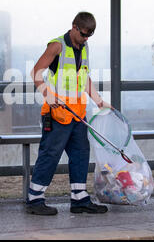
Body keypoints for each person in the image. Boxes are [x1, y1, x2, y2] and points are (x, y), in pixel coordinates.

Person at [26, 12, 110, 215]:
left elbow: (84, 77)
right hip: (57, 114)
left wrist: (99, 101)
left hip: (78, 114)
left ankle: (79, 199)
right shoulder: (57, 46)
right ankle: (35, 199)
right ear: (74, 27)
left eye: (89, 36)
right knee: (50, 155)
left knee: (81, 154)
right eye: (83, 34)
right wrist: (48, 96)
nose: (86, 39)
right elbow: (36, 72)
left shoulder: (84, 47)